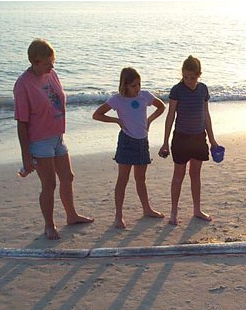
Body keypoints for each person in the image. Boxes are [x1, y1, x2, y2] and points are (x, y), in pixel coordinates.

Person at [14, 39, 93, 240]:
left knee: (68, 177)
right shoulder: (23, 84)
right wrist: (26, 156)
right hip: (40, 141)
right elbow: (21, 122)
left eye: (53, 61)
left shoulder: (51, 74)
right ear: (34, 61)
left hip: (58, 136)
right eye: (47, 62)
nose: (52, 66)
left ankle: (72, 215)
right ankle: (49, 225)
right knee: (49, 185)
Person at [93, 67, 166, 229]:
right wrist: (117, 121)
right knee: (123, 179)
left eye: (139, 84)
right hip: (127, 141)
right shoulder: (117, 99)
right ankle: (118, 216)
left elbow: (161, 107)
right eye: (133, 86)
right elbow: (97, 115)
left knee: (141, 179)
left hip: (142, 141)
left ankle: (147, 209)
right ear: (124, 85)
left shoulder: (145, 95)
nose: (137, 88)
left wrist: (150, 120)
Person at [159, 55, 220, 225]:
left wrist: (213, 140)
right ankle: (173, 212)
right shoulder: (176, 90)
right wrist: (165, 142)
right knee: (178, 175)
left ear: (199, 75)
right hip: (181, 138)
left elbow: (206, 114)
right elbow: (170, 116)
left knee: (195, 175)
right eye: (185, 77)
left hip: (199, 137)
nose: (189, 80)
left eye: (192, 77)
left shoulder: (203, 89)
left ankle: (197, 209)